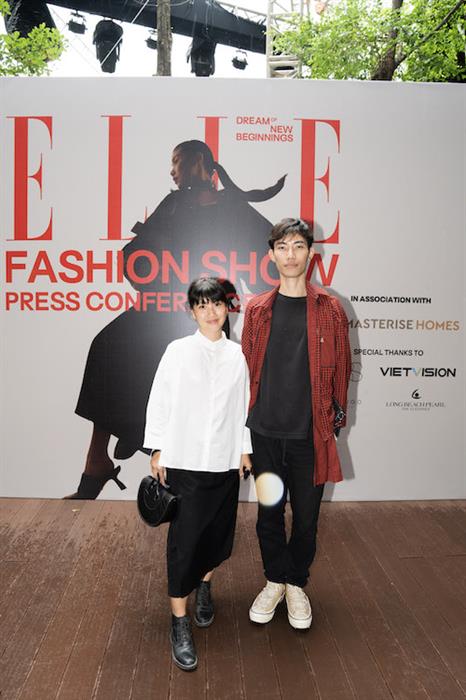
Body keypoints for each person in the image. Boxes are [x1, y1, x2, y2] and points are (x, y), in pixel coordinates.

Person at [66, 139, 284, 500]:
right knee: (107, 347)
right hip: (160, 308)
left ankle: (157, 459)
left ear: (198, 161)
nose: (172, 171)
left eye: (177, 161)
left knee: (187, 381)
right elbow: (139, 253)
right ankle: (97, 460)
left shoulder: (234, 208)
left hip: (206, 317)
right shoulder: (173, 203)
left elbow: (269, 257)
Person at [241, 218, 351, 630]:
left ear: (310, 254)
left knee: (306, 519)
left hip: (309, 436)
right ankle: (275, 581)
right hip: (265, 434)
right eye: (283, 247)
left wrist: (332, 422)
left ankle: (295, 583)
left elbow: (343, 369)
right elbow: (245, 371)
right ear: (272, 255)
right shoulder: (256, 309)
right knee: (269, 514)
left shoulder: (330, 309)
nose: (291, 254)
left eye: (298, 246)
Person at [144, 277, 252, 671]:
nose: (210, 312)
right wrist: (157, 447)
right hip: (185, 461)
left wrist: (244, 449)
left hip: (223, 462)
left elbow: (243, 407)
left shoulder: (238, 356)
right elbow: (160, 400)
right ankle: (179, 621)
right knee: (184, 542)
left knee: (216, 533)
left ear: (227, 308)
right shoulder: (177, 352)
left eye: (217, 304)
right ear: (192, 311)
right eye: (202, 305)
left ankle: (204, 587)